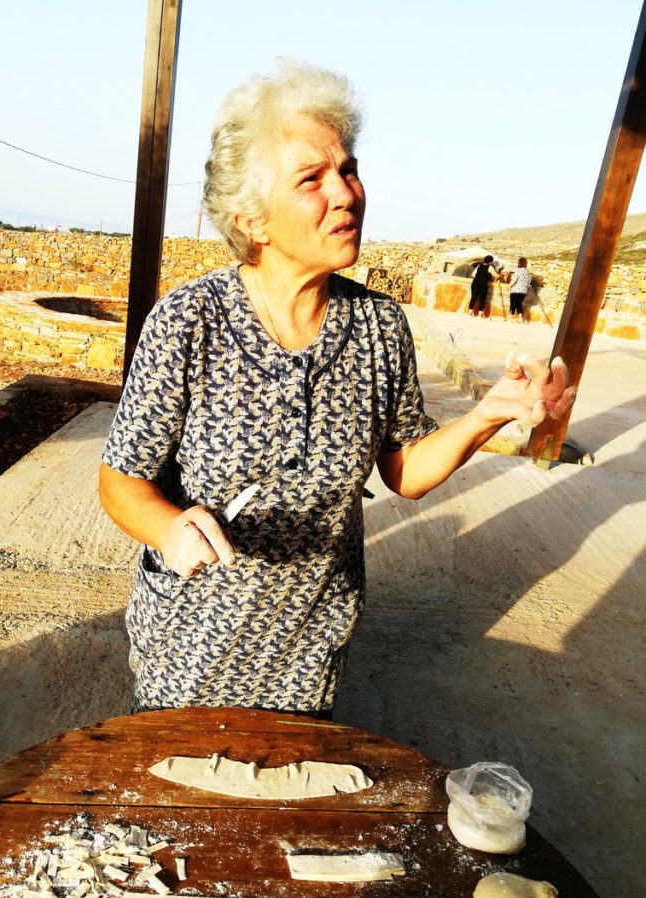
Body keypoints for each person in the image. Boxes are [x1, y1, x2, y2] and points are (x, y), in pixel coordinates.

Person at [99, 60, 575, 718]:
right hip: (190, 642)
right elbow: (120, 481)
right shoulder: (188, 322)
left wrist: (485, 416)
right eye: (311, 180)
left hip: (310, 648)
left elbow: (404, 470)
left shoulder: (380, 327)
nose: (346, 194)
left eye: (347, 169)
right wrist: (172, 527)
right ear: (253, 219)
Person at [509, 257, 532, 322]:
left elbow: (514, 280)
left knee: (513, 303)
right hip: (523, 291)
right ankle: (520, 318)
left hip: (515, 290)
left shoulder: (517, 270)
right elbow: (529, 281)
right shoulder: (527, 272)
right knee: (519, 304)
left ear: (519, 263)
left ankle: (511, 317)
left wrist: (509, 286)